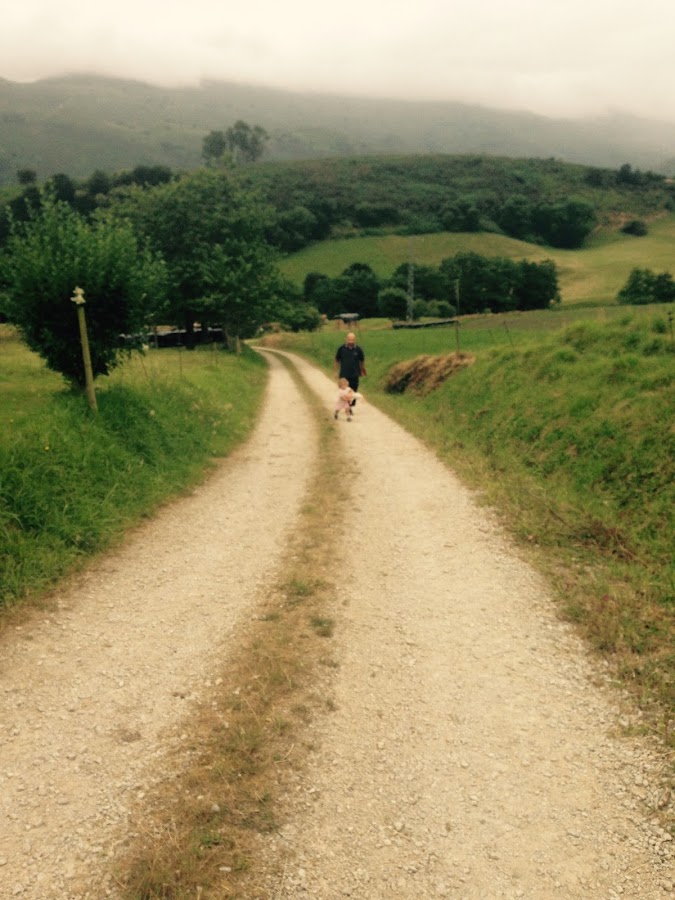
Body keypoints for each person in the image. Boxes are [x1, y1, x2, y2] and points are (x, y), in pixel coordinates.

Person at [334, 331, 365, 408]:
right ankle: (346, 406)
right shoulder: (341, 349)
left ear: (355, 340)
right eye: (349, 339)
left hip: (354, 374)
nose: (351, 341)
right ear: (346, 339)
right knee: (344, 391)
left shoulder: (358, 349)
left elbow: (362, 360)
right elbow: (337, 360)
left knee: (353, 390)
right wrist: (336, 371)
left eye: (352, 340)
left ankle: (350, 405)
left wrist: (362, 369)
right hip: (344, 374)